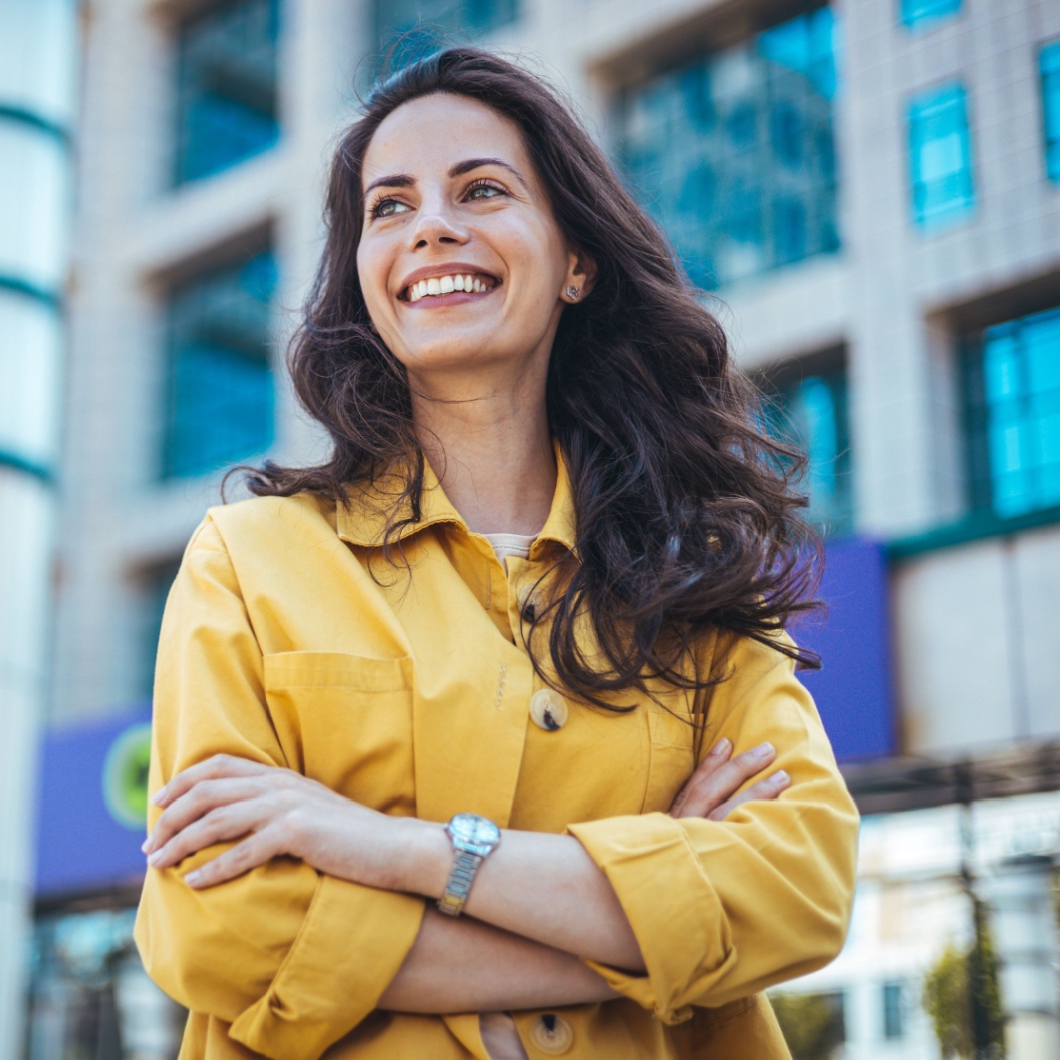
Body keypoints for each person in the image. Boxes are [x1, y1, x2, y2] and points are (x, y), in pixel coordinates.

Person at [133, 47, 859, 1060]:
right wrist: (662, 922)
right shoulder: (249, 563)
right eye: (389, 207)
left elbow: (798, 888)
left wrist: (397, 851)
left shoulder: (696, 585)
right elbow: (220, 930)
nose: (429, 224)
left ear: (576, 261)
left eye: (480, 189)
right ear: (363, 277)